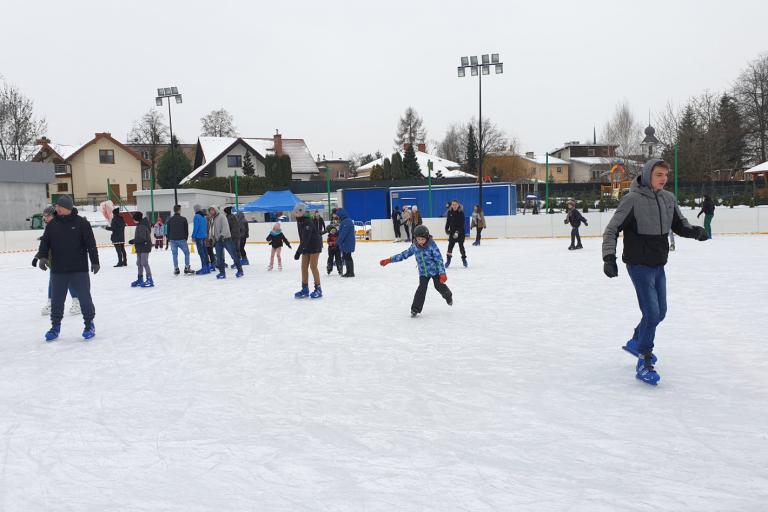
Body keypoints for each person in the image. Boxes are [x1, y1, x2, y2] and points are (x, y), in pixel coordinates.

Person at [602, 158, 708, 385]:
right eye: (659, 174)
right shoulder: (632, 200)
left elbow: (680, 226)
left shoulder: (668, 199)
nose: (664, 179)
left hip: (659, 264)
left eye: (666, 175)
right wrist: (608, 257)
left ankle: (635, 341)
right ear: (649, 174)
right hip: (638, 265)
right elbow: (611, 230)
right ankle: (644, 358)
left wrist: (696, 232)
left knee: (660, 313)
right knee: (651, 313)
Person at [34, 195, 99, 341]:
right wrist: (43, 257)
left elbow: (91, 244)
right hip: (58, 270)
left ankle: (89, 324)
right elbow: (45, 243)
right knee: (57, 300)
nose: (55, 208)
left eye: (57, 206)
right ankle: (55, 327)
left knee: (85, 299)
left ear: (65, 207)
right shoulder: (52, 224)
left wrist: (95, 261)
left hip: (79, 269)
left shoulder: (82, 223)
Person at [380, 224, 452, 317]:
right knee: (421, 289)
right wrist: (389, 260)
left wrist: (442, 273)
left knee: (438, 286)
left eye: (422, 239)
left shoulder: (432, 246)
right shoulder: (414, 246)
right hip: (423, 273)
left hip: (435, 271)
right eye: (418, 239)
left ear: (427, 238)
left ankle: (448, 296)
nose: (420, 241)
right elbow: (404, 254)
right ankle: (415, 309)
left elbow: (439, 259)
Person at [36, 205, 79, 316]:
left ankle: (77, 302)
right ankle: (51, 303)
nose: (45, 218)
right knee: (52, 281)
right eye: (44, 216)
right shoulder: (48, 227)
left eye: (47, 215)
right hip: (53, 260)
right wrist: (38, 257)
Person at [293, 203, 323, 299]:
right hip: (306, 246)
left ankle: (318, 289)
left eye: (297, 212)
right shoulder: (299, 221)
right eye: (295, 212)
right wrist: (301, 249)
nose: (295, 214)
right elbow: (303, 238)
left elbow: (306, 238)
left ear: (302, 212)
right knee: (303, 267)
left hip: (315, 246)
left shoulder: (308, 221)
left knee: (313, 266)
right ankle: (305, 289)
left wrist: (298, 251)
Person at [210, 206, 243, 279]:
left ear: (215, 210)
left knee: (234, 255)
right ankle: (222, 273)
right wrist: (212, 238)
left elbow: (225, 226)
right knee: (219, 258)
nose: (211, 212)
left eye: (212, 210)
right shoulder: (213, 219)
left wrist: (222, 235)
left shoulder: (222, 217)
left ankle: (240, 271)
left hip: (226, 239)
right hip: (218, 240)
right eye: (210, 210)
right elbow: (213, 230)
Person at [128, 211, 154, 288]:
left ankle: (150, 279)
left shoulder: (142, 226)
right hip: (140, 247)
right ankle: (140, 279)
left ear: (137, 219)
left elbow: (142, 238)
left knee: (144, 262)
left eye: (134, 219)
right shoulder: (140, 224)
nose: (133, 220)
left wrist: (134, 240)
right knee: (139, 263)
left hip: (145, 247)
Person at [167, 205, 193, 275]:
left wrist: (169, 238)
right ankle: (187, 268)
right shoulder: (183, 219)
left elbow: (168, 230)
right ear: (179, 210)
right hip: (182, 239)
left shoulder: (170, 219)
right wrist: (185, 238)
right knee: (186, 253)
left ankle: (176, 269)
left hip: (172, 239)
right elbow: (186, 230)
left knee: (174, 255)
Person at [445, 199, 467, 268]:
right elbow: (448, 222)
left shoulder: (461, 213)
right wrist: (446, 229)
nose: (454, 206)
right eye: (453, 204)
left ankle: (464, 259)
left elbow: (462, 225)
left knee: (461, 247)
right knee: (450, 248)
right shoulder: (449, 212)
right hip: (452, 233)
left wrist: (457, 232)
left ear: (458, 205)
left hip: (460, 233)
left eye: (455, 205)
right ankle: (448, 261)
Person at [337, 208, 356, 277]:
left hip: (347, 242)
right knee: (346, 257)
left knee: (348, 257)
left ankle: (350, 272)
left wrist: (338, 242)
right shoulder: (345, 220)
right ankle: (349, 272)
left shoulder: (346, 222)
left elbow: (343, 234)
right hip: (347, 242)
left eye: (338, 215)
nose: (337, 217)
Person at [192, 205, 211, 274]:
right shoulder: (204, 217)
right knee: (205, 252)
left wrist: (193, 236)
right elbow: (205, 227)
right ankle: (208, 267)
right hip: (204, 236)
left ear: (196, 209)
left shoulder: (196, 216)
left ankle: (204, 268)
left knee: (201, 253)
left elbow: (196, 227)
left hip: (199, 237)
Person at [223, 207, 243, 271]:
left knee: (233, 249)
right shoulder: (232, 216)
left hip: (233, 236)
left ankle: (236, 263)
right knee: (235, 249)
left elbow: (228, 227)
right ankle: (237, 262)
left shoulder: (229, 217)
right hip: (236, 235)